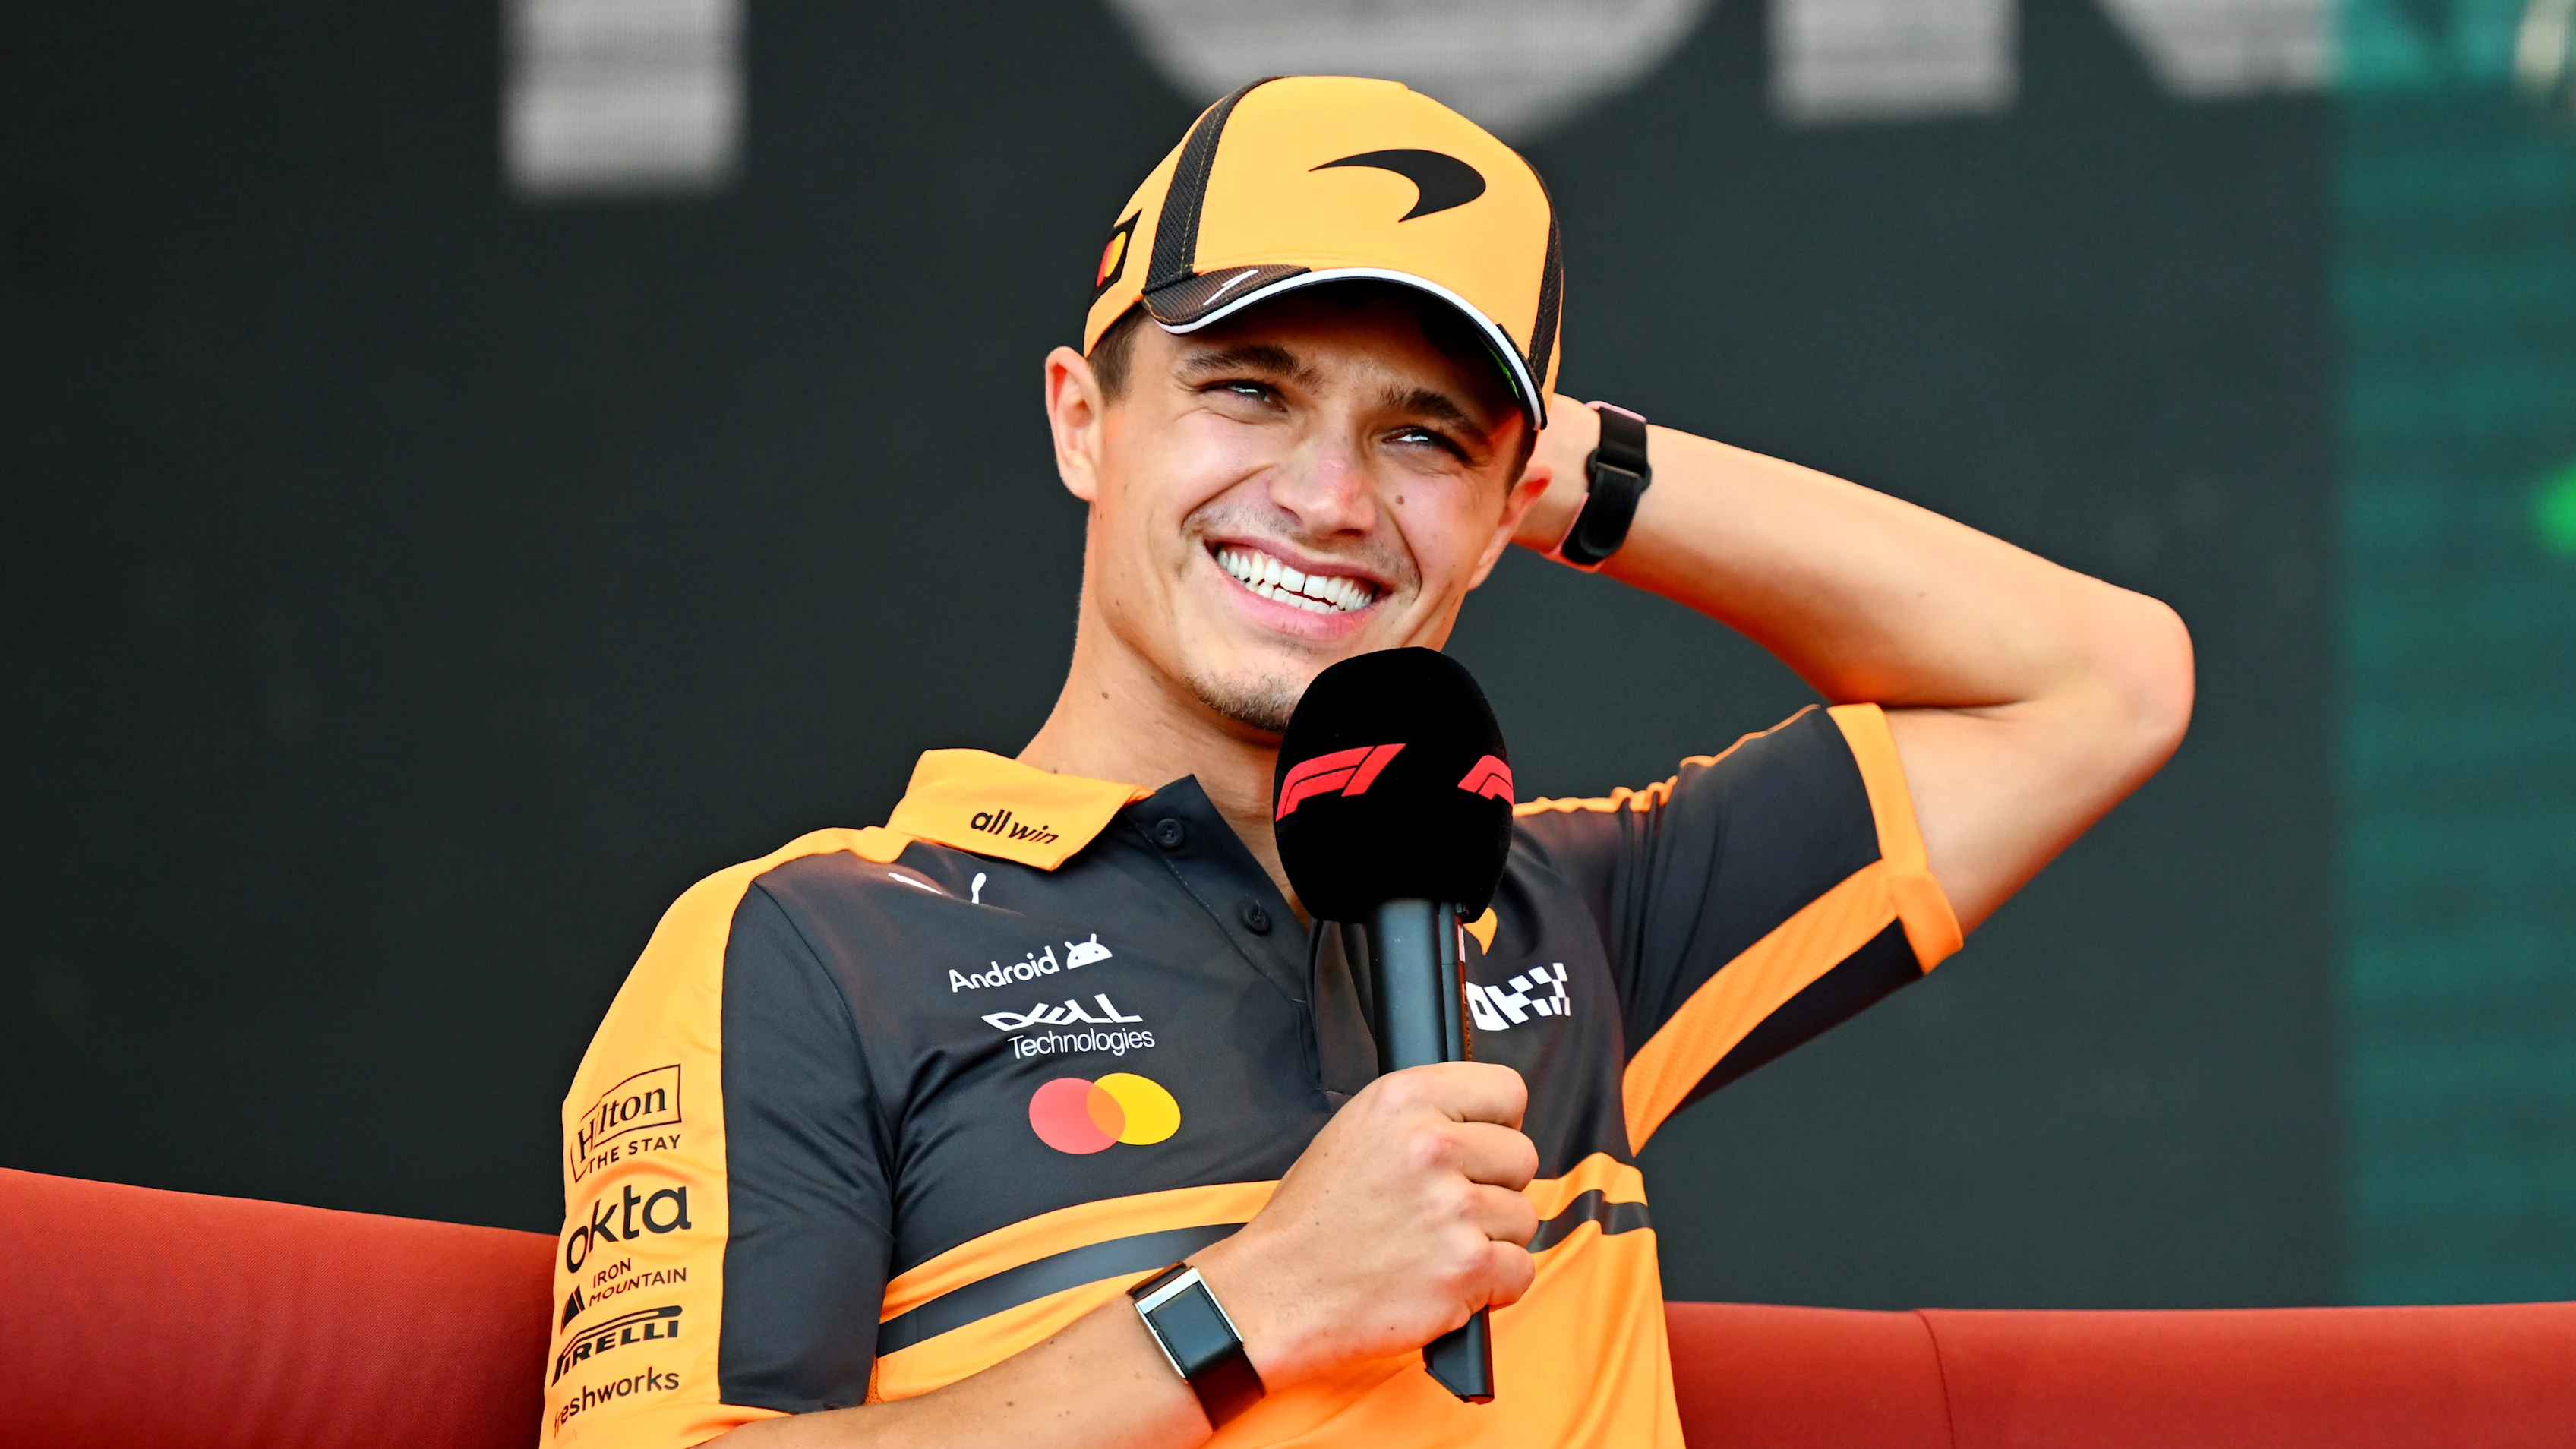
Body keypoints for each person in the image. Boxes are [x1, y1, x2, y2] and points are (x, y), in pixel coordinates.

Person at [539, 76, 2192, 1449]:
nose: (1331, 500)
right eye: (1247, 392)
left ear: (1501, 506)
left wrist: (1583, 472)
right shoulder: (812, 942)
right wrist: (1238, 1313)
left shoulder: (1565, 911)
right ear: (1080, 419)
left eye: (1422, 436)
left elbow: (2098, 686)